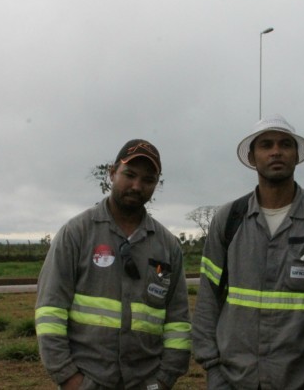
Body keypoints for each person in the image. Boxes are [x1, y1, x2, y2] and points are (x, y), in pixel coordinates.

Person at [192, 114, 304, 390]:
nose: (276, 151)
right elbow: (208, 298)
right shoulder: (229, 218)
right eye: (266, 145)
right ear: (252, 156)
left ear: (297, 155)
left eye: (285, 144)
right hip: (232, 379)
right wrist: (212, 367)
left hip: (301, 380)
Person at [35, 139, 191, 390]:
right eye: (129, 175)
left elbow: (178, 320)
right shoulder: (76, 233)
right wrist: (69, 378)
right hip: (88, 380)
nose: (137, 186)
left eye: (148, 180)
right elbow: (49, 311)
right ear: (112, 173)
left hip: (146, 382)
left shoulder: (168, 245)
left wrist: (164, 379)